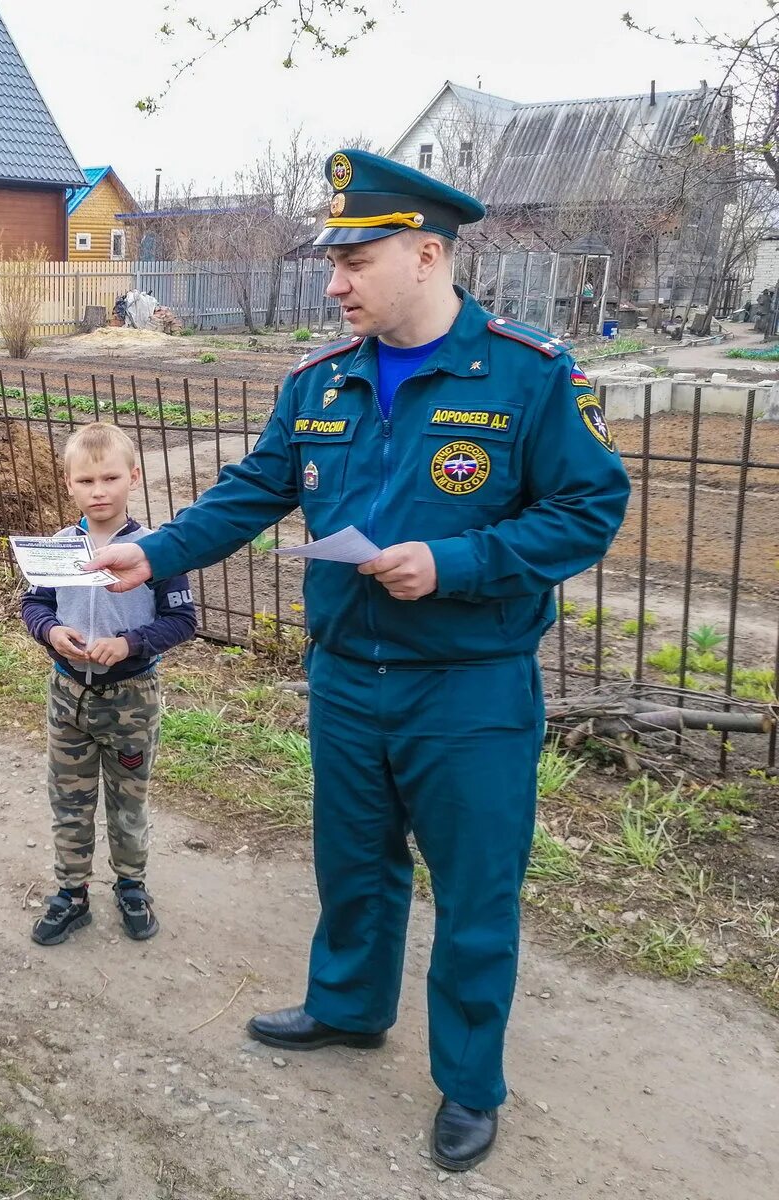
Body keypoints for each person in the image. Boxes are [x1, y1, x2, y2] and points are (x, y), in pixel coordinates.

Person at [85, 149, 630, 1172]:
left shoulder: (528, 373)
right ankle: (346, 1008)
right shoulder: (319, 380)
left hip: (467, 686)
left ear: (425, 256)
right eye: (331, 263)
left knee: (474, 891)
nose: (332, 284)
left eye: (354, 262)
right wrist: (149, 551)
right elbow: (253, 491)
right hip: (346, 676)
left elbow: (589, 507)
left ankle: (468, 1083)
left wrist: (460, 561)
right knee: (352, 866)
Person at [20, 423, 197, 945]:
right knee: (69, 799)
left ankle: (131, 886)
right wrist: (51, 632)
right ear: (68, 484)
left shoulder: (158, 551)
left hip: (131, 700)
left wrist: (130, 643)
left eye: (110, 477)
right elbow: (33, 605)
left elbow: (183, 621)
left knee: (129, 800)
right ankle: (71, 893)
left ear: (134, 477)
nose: (98, 491)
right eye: (85, 480)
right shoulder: (56, 548)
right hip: (68, 696)